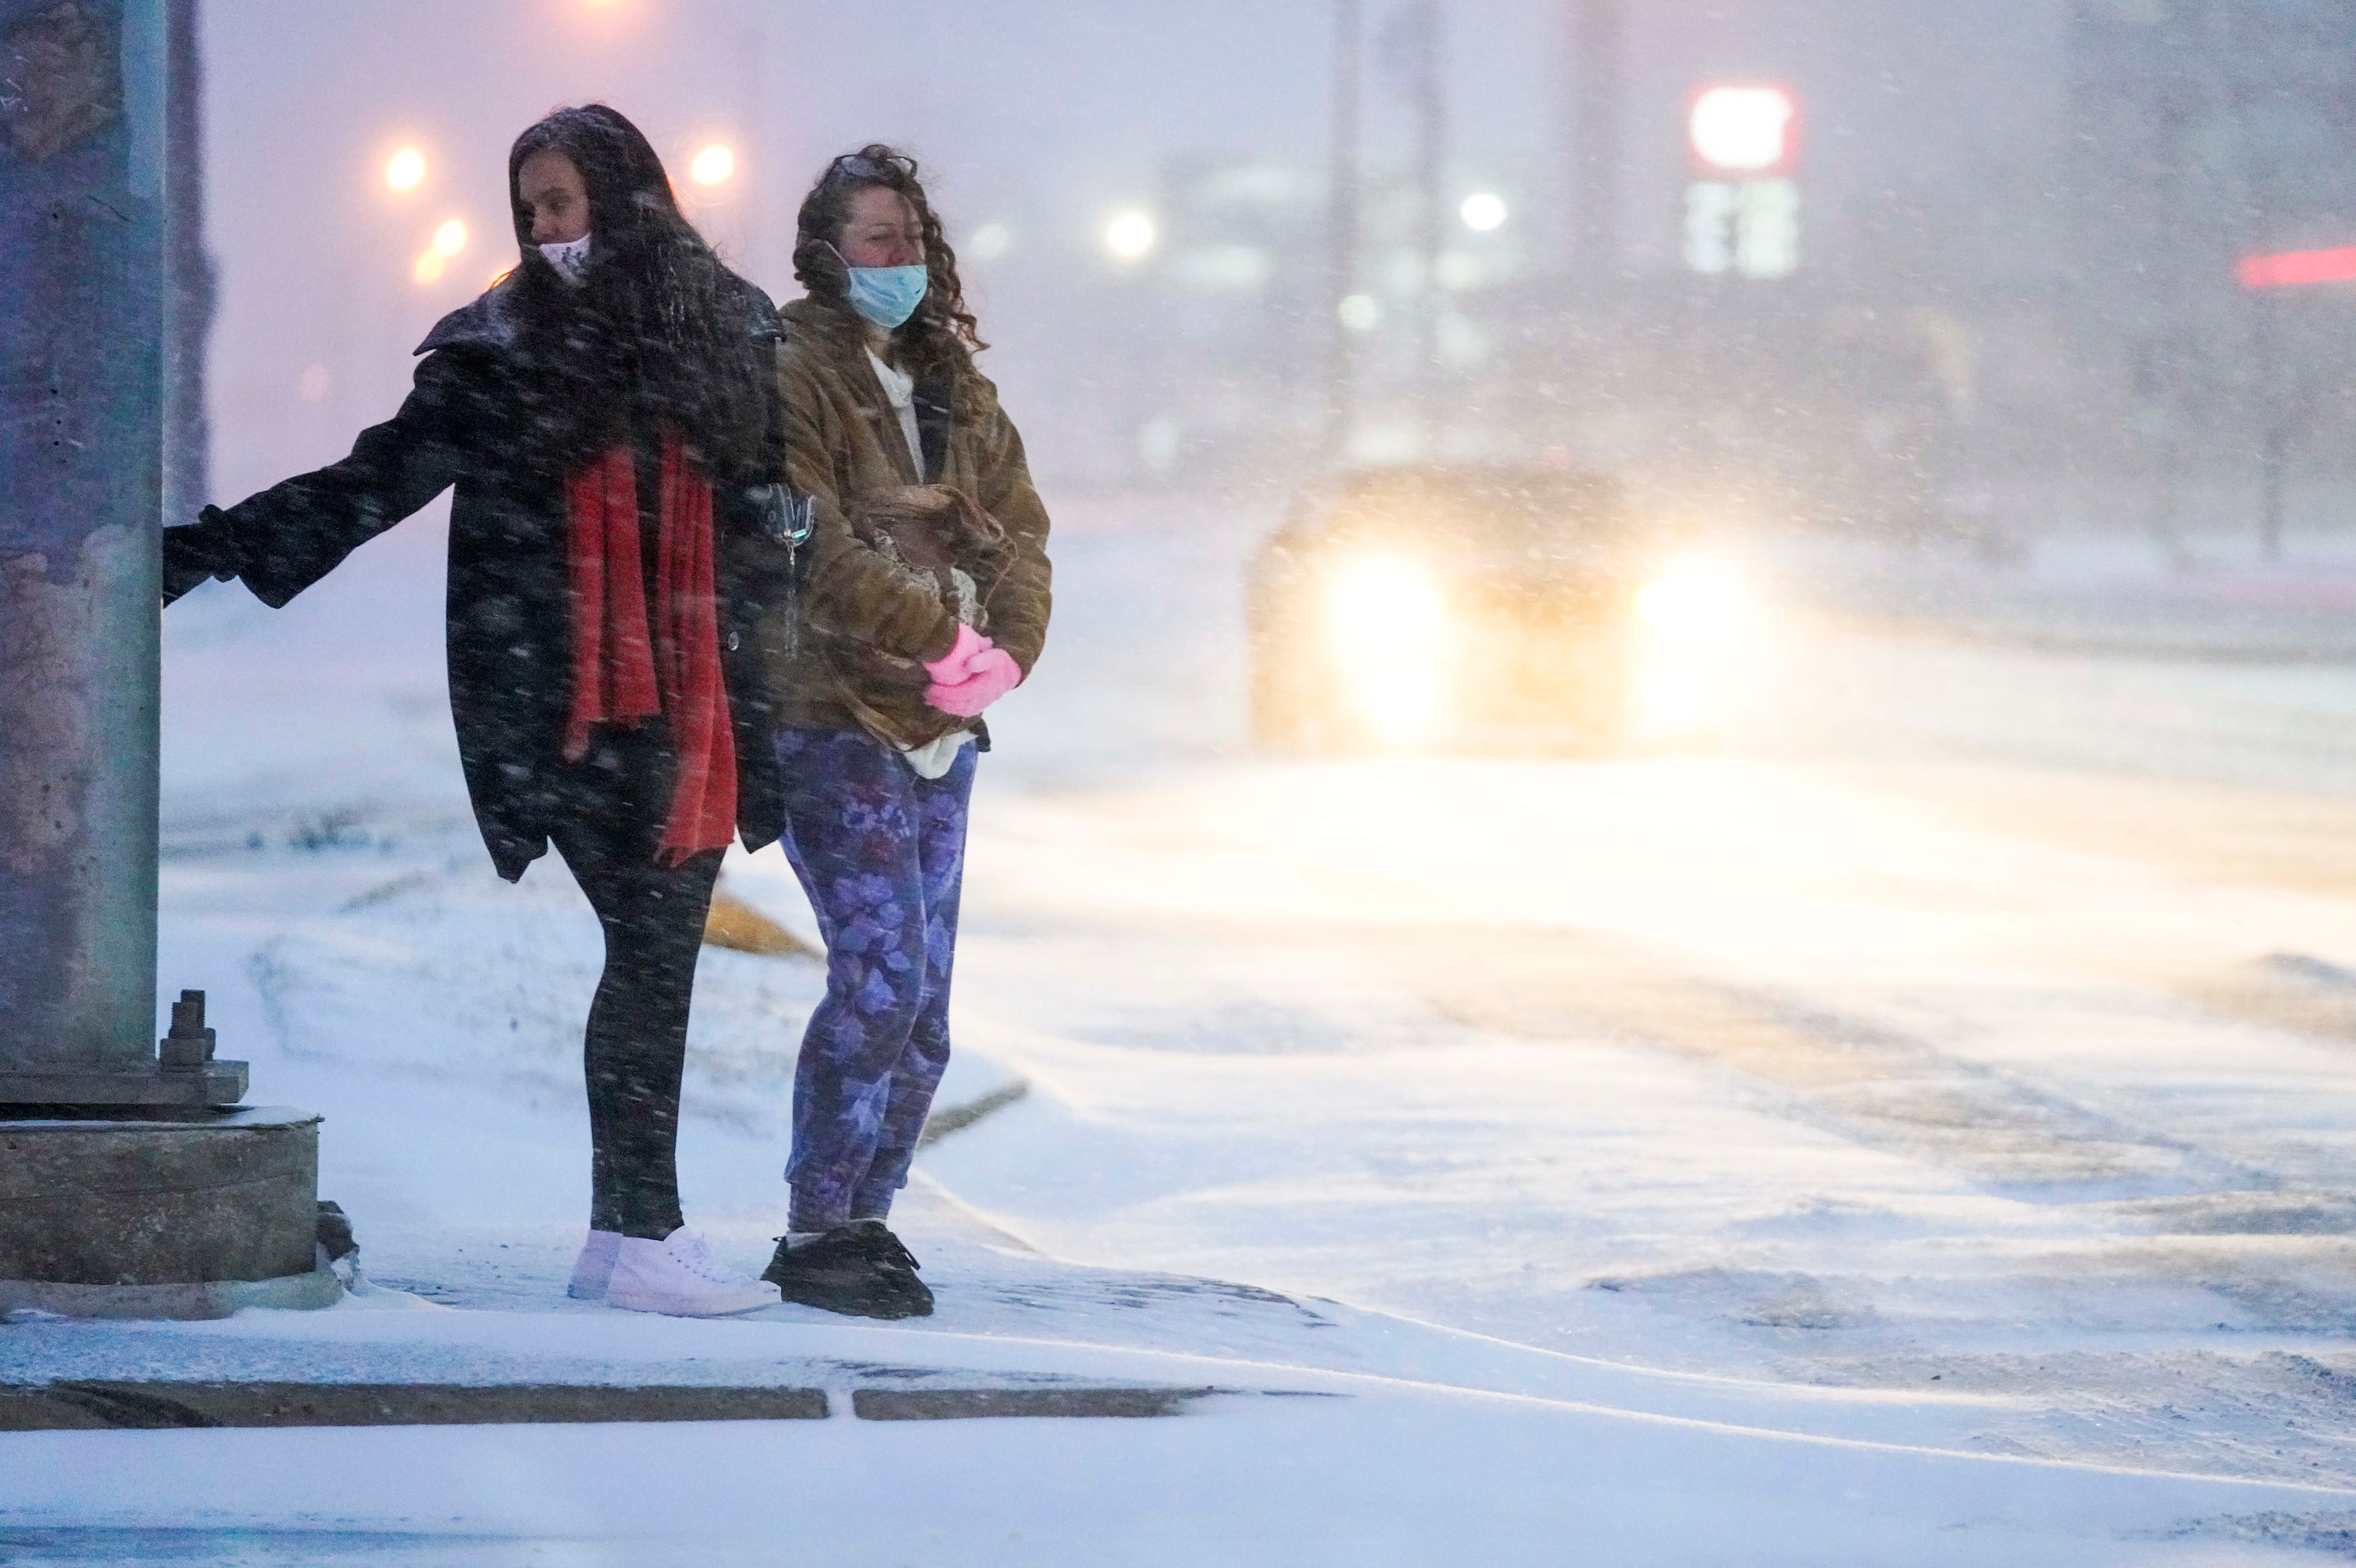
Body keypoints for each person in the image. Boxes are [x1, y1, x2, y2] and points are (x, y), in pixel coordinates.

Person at [160, 105, 795, 1318]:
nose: (551, 228)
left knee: (651, 955)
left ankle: (626, 1237)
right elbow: (375, 480)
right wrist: (215, 548)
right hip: (572, 703)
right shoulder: (501, 350)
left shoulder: (727, 328)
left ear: (630, 194)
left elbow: (775, 489)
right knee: (654, 953)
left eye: (566, 201)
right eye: (534, 210)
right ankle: (640, 1235)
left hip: (699, 696)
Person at [751, 145, 1052, 1318]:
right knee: (876, 981)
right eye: (874, 239)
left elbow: (1021, 535)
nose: (898, 260)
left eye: (909, 239)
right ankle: (817, 1223)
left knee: (922, 1012)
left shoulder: (958, 391)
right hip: (834, 710)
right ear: (826, 255)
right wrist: (937, 638)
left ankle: (865, 1222)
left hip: (944, 723)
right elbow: (810, 543)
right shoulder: (793, 373)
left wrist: (1005, 653)